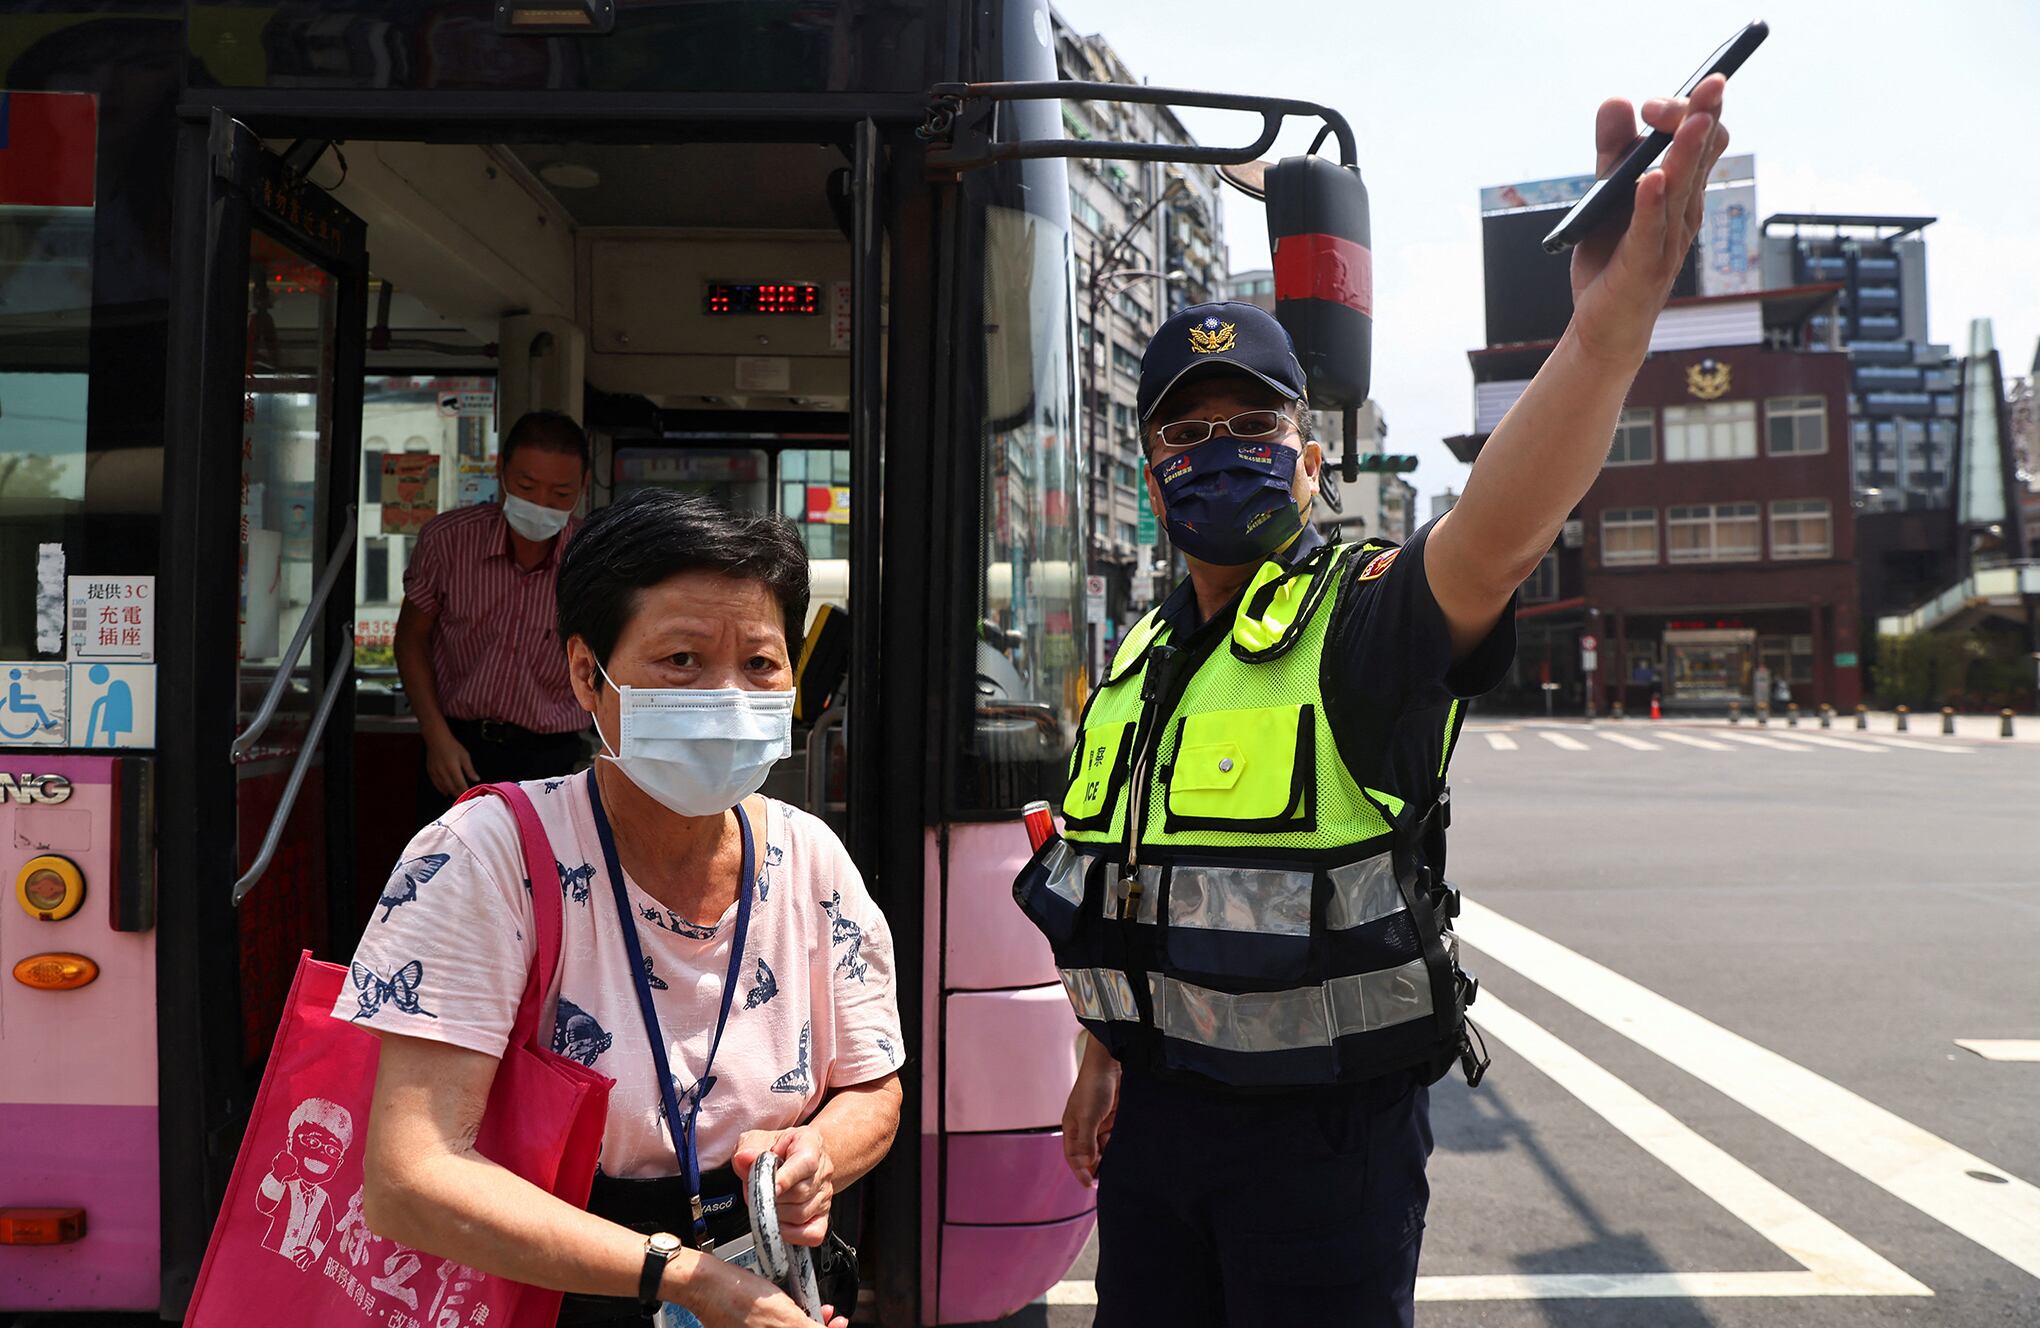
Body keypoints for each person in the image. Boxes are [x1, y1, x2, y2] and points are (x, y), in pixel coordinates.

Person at [1029, 77, 1734, 1326]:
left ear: (1311, 456)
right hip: (1153, 1138)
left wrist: (1610, 330)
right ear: (1148, 470)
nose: (1218, 450)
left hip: (1325, 1152)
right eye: (1184, 437)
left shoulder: (1364, 618)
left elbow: (1495, 533)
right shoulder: (1136, 658)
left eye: (1252, 423)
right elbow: (1133, 878)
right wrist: (1100, 1054)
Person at [346, 489, 904, 1327]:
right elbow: (409, 1179)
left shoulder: (811, 857)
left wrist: (812, 1157)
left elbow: (874, 1086)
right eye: (680, 660)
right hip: (554, 1286)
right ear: (586, 674)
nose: (725, 697)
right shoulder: (486, 856)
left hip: (769, 1287)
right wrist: (688, 1281)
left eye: (759, 665)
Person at [395, 410, 595, 827]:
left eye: (561, 493)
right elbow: (411, 638)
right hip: (458, 748)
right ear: (501, 472)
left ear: (583, 486)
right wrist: (436, 737)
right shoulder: (448, 540)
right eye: (526, 487)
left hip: (554, 756)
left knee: (543, 885)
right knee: (447, 881)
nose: (541, 503)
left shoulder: (593, 556)